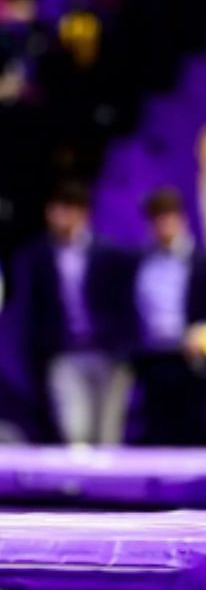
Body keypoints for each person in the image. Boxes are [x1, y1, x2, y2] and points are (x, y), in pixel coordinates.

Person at [7, 180, 137, 445]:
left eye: (65, 209)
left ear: (81, 213)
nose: (57, 216)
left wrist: (126, 348)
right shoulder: (37, 256)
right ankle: (80, 487)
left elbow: (126, 305)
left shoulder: (109, 254)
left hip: (108, 353)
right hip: (65, 353)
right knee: (75, 428)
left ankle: (108, 487)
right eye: (53, 209)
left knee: (108, 434)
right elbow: (30, 309)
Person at [129, 186, 206, 445]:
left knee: (192, 432)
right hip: (152, 359)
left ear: (182, 218)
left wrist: (205, 337)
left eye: (169, 216)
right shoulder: (139, 261)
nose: (163, 224)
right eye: (157, 217)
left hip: (193, 359)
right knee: (156, 433)